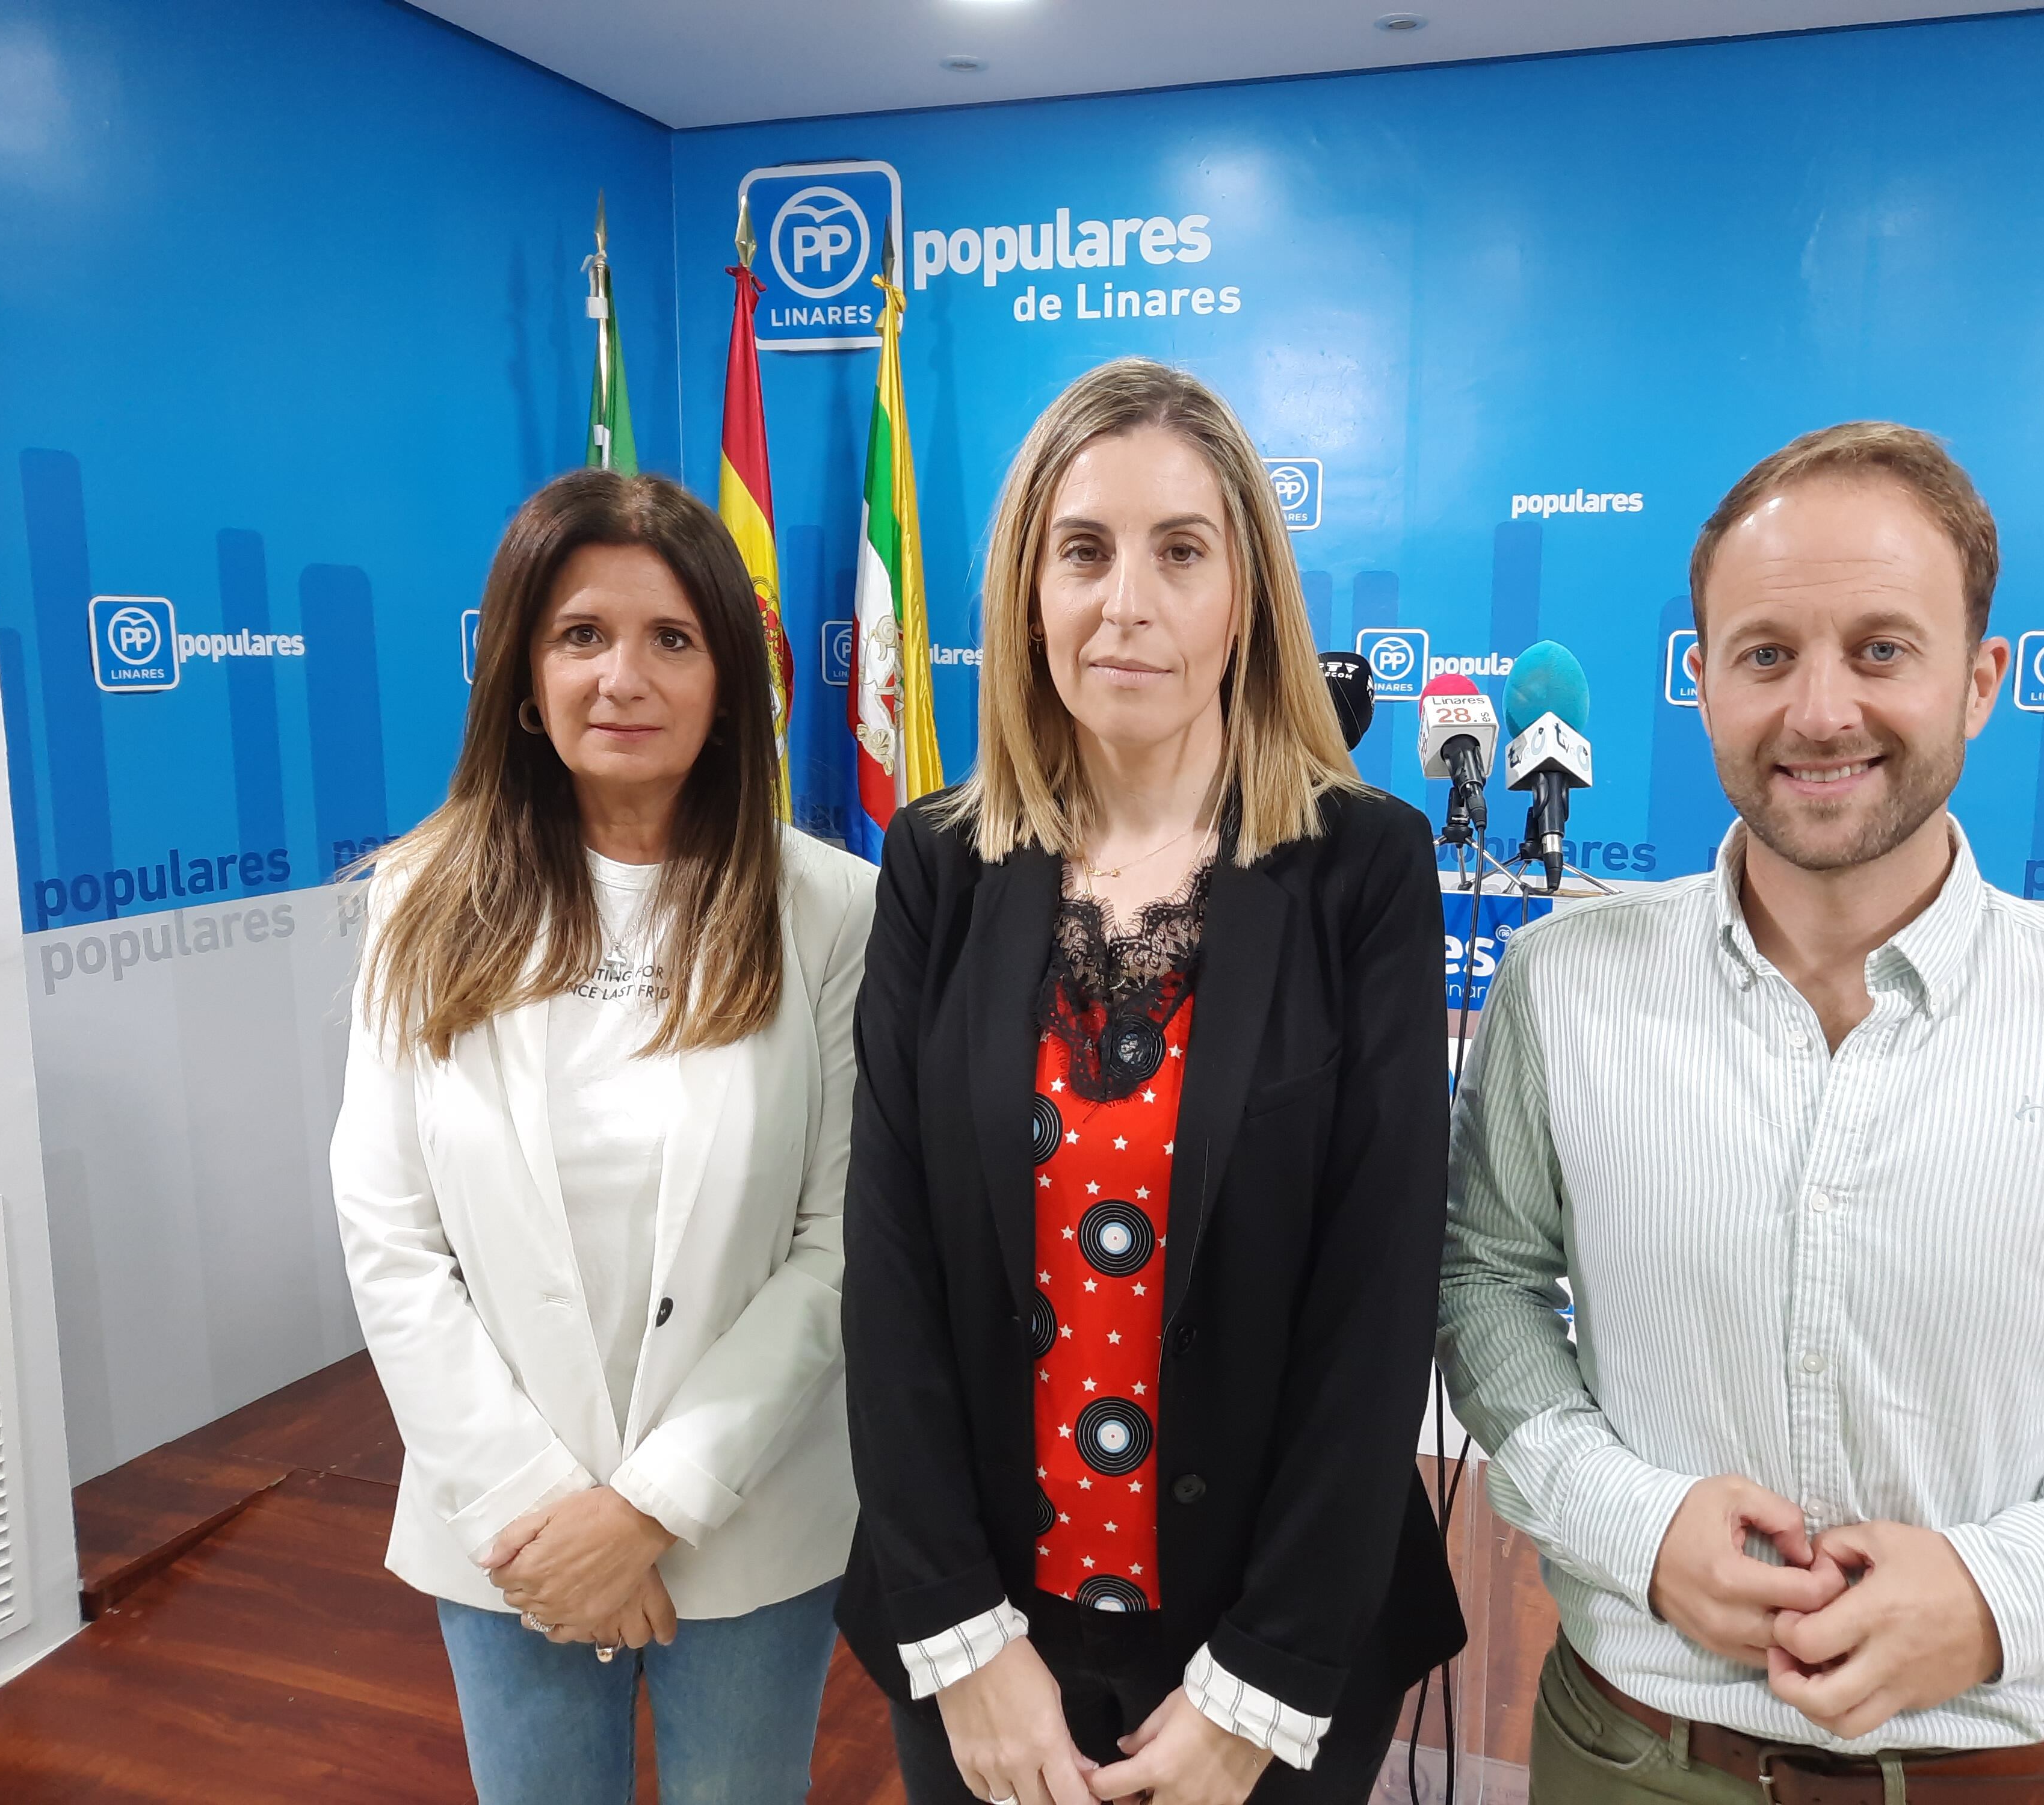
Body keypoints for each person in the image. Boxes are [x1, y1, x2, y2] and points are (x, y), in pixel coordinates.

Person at [1437, 422, 2044, 1805]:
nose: (1821, 711)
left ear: (1979, 682)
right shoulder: (1561, 990)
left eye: (1881, 651)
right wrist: (1636, 1525)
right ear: (1703, 683)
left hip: (1995, 1767)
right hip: (1629, 1756)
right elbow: (1481, 1282)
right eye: (1766, 654)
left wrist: (2000, 1591)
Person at [839, 357, 1466, 1805]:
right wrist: (955, 1631)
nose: (1126, 601)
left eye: (1180, 552)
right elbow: (889, 1273)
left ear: (1244, 595)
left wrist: (1263, 1682)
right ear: (1024, 594)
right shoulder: (938, 864)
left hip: (1271, 1647)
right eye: (1083, 551)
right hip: (988, 1643)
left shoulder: (1362, 868)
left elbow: (1376, 1306)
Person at [333, 469, 874, 1803]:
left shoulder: (833, 910)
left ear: (729, 682)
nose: (622, 676)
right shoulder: (417, 903)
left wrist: (647, 1511)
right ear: (524, 676)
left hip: (747, 1525)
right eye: (581, 635)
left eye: (670, 639)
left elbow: (840, 1245)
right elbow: (389, 1234)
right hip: (507, 1533)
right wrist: (543, 1511)